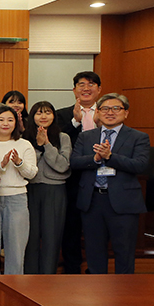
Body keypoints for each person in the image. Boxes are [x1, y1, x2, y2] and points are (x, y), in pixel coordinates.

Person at [71, 93, 150, 275]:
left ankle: (123, 297)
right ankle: (98, 297)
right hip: (92, 201)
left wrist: (110, 157)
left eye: (116, 108)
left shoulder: (138, 137)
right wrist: (96, 159)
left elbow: (140, 164)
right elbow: (74, 162)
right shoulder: (86, 137)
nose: (110, 112)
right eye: (105, 109)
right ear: (97, 112)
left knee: (124, 251)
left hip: (123, 203)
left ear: (126, 113)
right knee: (94, 251)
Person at [56, 71, 102, 274]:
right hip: (73, 178)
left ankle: (96, 268)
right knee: (72, 226)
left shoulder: (108, 112)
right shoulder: (61, 114)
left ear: (99, 90)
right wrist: (75, 122)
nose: (86, 88)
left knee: (98, 226)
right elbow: (56, 140)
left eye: (91, 84)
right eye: (81, 84)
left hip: (101, 177)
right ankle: (72, 268)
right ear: (74, 89)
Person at [0, 104, 38, 280]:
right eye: (1, 119)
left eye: (10, 120)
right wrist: (1, 165)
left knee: (15, 246)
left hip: (17, 198)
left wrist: (18, 162)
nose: (5, 123)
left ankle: (13, 285)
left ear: (16, 123)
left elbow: (31, 173)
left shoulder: (24, 144)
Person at [22, 101, 71, 274]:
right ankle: (29, 276)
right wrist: (37, 145)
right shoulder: (24, 137)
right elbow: (24, 165)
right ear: (32, 116)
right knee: (30, 236)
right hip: (30, 189)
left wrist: (47, 145)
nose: (43, 116)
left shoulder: (63, 137)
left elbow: (62, 165)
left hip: (54, 190)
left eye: (48, 112)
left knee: (52, 236)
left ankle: (48, 277)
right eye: (39, 113)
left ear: (54, 116)